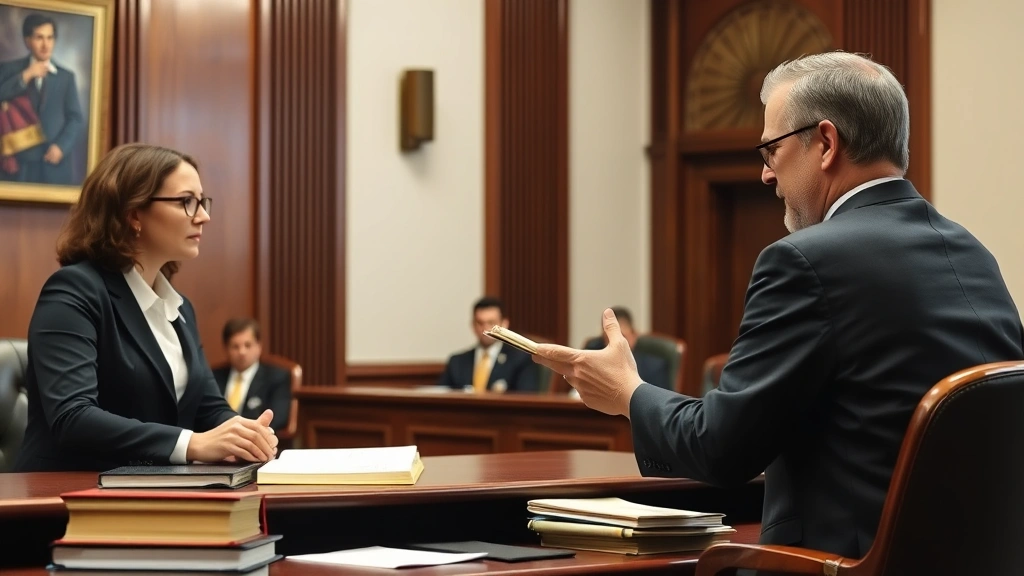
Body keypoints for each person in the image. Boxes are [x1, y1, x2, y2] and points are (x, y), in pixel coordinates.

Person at [533, 51, 1024, 559]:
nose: (766, 174)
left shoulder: (805, 261)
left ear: (826, 143)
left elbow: (720, 449)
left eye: (771, 151)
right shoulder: (973, 254)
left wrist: (627, 392)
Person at [15, 143, 278, 472]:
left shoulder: (181, 310)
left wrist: (244, 435)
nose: (204, 216)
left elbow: (209, 410)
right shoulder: (73, 290)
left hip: (154, 492)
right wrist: (193, 443)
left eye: (202, 201)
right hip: (65, 500)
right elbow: (73, 417)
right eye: (187, 202)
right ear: (134, 214)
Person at [0, 13, 84, 184]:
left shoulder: (66, 77)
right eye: (39, 38)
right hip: (16, 164)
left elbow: (75, 118)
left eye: (50, 38)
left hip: (54, 164)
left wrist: (61, 147)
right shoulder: (9, 70)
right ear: (27, 40)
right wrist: (25, 76)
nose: (46, 45)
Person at [437, 296, 538, 393]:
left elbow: (525, 398)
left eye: (491, 323)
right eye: (480, 323)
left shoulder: (520, 359)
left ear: (504, 324)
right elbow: (441, 397)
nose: (485, 328)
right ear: (473, 325)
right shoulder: (457, 361)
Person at [213, 318, 291, 431]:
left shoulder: (276, 377)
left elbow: (278, 418)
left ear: (259, 346)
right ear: (226, 349)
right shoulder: (213, 377)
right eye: (235, 346)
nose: (242, 352)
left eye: (248, 345)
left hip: (255, 441)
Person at [584, 306, 671, 391]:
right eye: (608, 338)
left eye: (622, 336)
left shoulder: (654, 368)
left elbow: (659, 403)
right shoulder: (596, 362)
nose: (616, 344)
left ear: (634, 335)